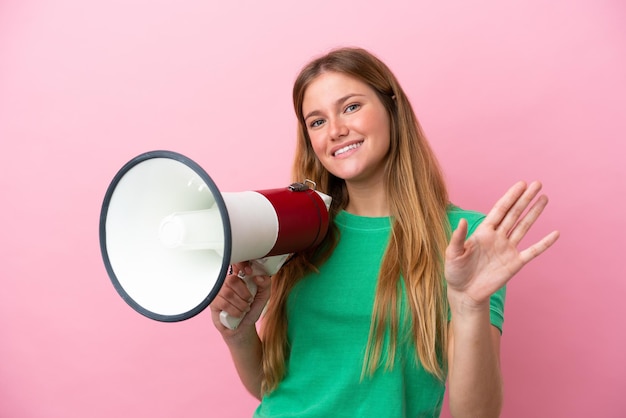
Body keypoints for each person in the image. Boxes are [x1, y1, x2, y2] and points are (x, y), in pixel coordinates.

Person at [210, 47, 559, 417]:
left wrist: (469, 306)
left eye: (351, 107)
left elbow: (477, 413)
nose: (336, 131)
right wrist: (239, 333)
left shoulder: (465, 239)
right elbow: (272, 386)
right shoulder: (297, 231)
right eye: (317, 121)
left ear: (392, 107)